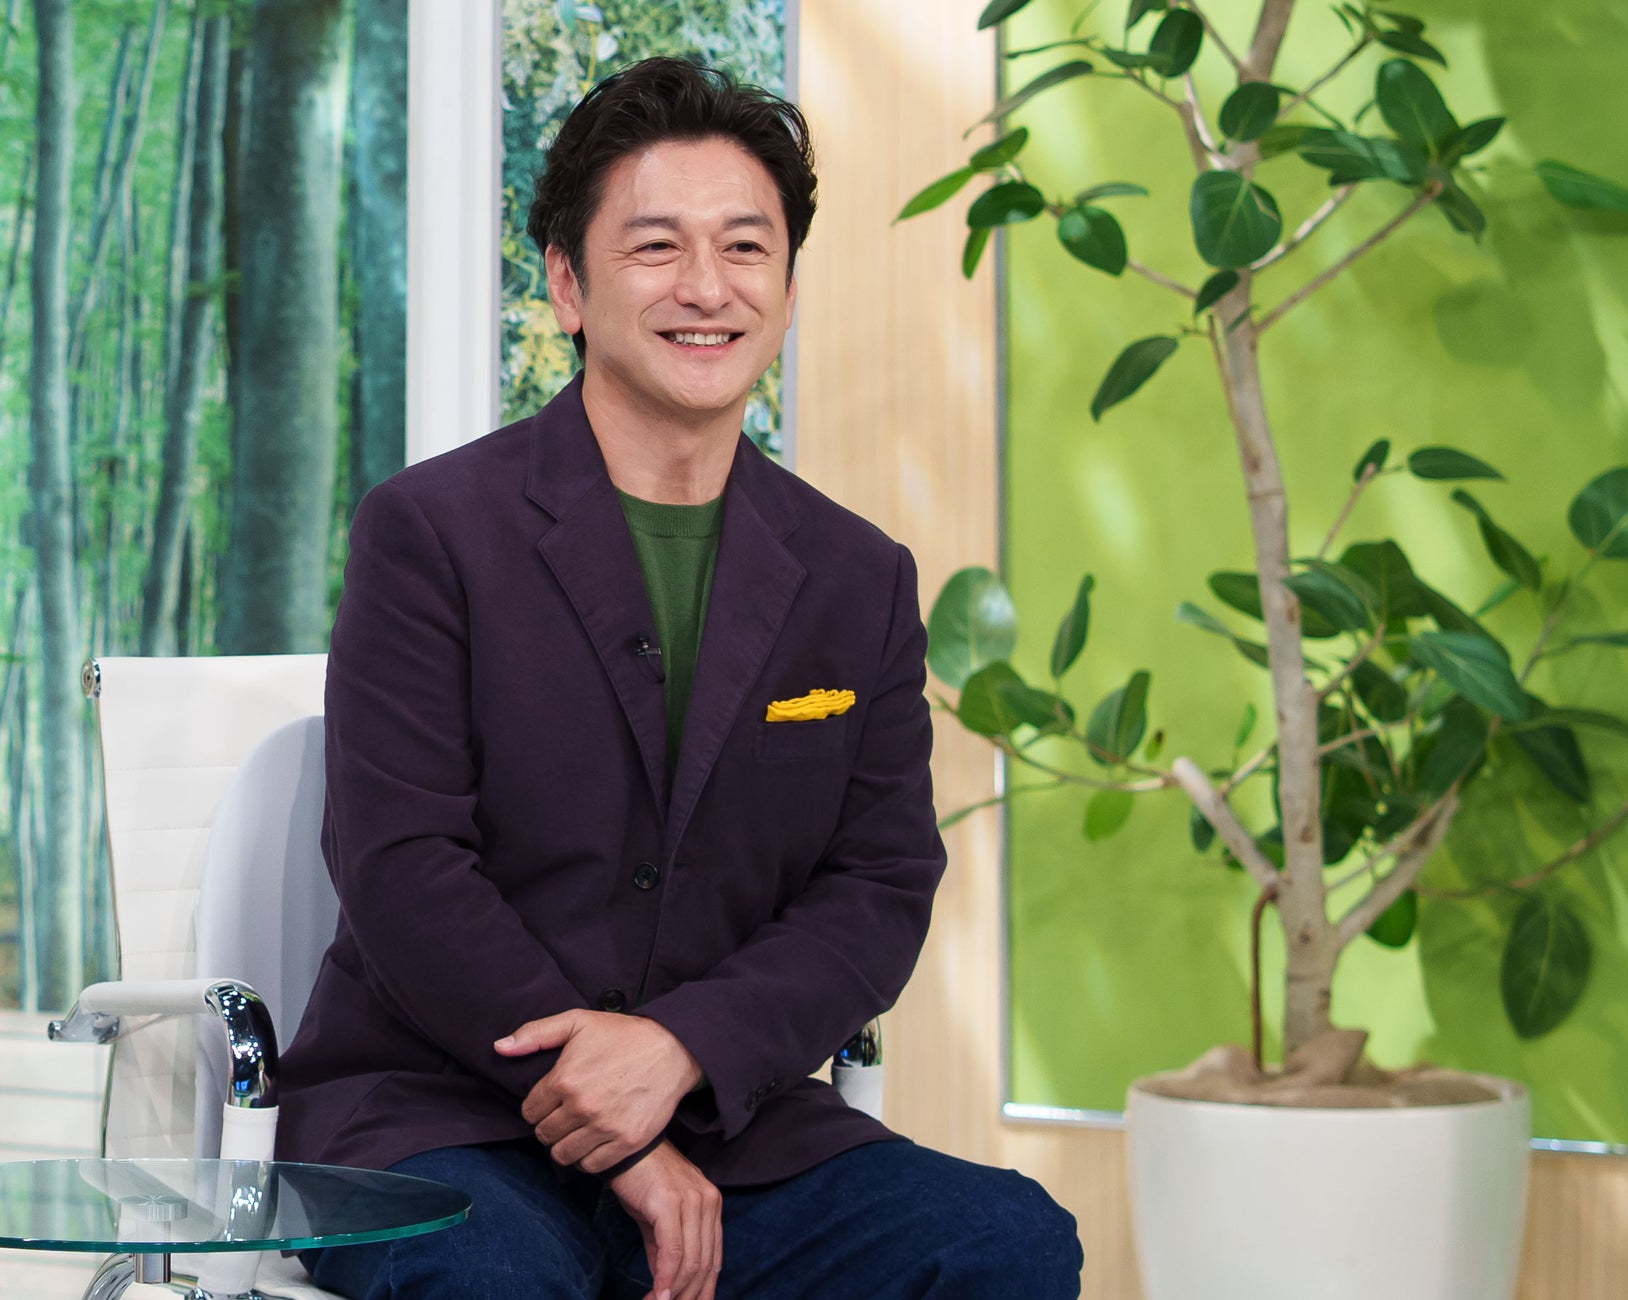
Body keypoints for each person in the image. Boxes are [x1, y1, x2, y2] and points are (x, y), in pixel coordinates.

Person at [277, 56, 1082, 1300]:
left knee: (1006, 1240)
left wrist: (681, 1049)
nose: (707, 287)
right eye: (656, 247)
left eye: (745, 248)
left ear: (788, 289)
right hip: (447, 1117)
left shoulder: (859, 578)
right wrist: (618, 1134)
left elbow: (878, 885)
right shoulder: (429, 533)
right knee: (496, 1280)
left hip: (731, 1128)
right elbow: (405, 869)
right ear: (567, 285)